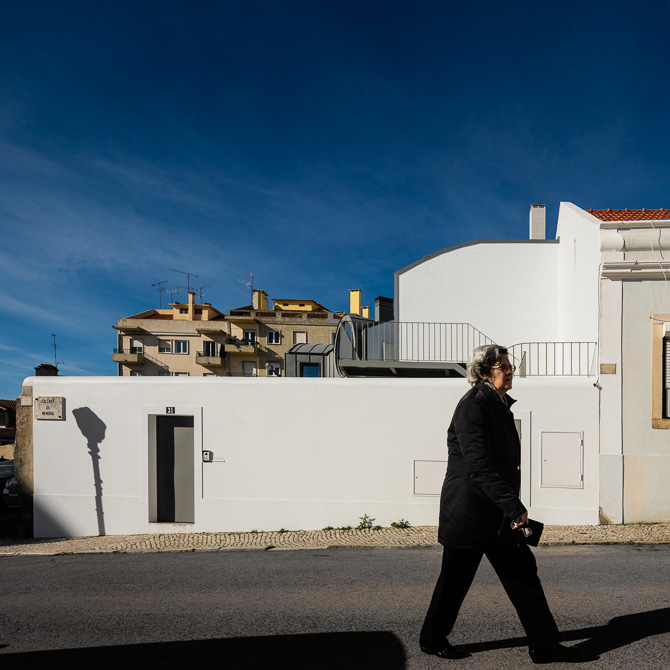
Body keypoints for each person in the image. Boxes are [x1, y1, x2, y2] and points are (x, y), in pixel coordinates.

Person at [420, 344, 579, 664]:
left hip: (495, 514)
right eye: (502, 367)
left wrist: (507, 506)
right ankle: (432, 639)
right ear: (483, 373)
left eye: (509, 366)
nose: (510, 371)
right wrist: (514, 506)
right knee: (454, 581)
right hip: (469, 513)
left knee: (523, 575)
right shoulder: (473, 405)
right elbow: (479, 466)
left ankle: (544, 646)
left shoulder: (497, 404)